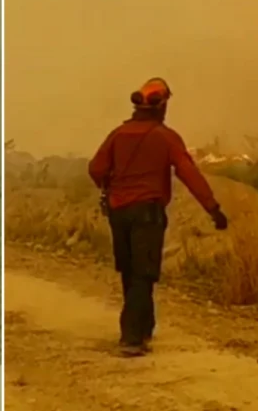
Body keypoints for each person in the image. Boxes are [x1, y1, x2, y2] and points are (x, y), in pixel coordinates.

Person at [88, 77, 229, 357]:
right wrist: (213, 209)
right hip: (148, 213)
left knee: (130, 271)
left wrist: (113, 189)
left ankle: (144, 328)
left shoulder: (118, 135)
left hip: (118, 212)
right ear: (161, 106)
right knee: (145, 272)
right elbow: (189, 174)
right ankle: (131, 337)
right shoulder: (166, 137)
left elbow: (96, 168)